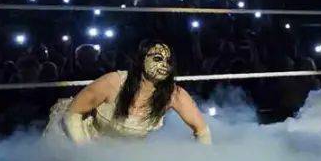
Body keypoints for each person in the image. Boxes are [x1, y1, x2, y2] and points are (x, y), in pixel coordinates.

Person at [43, 39, 212, 144]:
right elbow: (73, 113)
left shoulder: (174, 94)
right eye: (157, 58)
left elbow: (202, 131)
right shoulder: (113, 82)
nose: (164, 65)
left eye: (169, 61)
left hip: (123, 152)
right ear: (141, 60)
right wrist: (86, 153)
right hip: (83, 138)